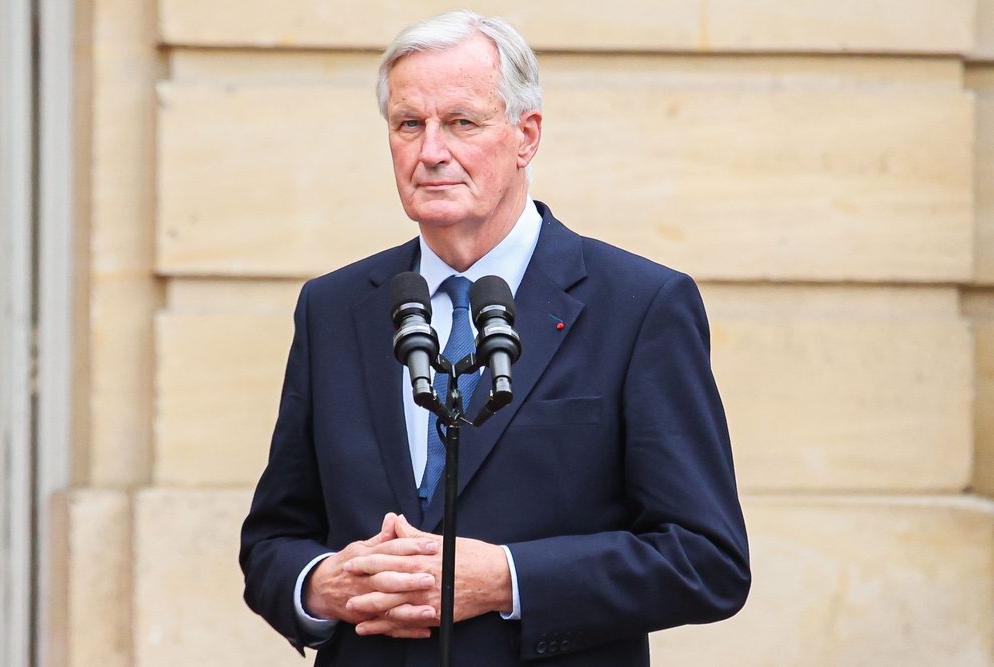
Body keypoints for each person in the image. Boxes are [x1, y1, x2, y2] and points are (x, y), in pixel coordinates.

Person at [240, 10, 749, 666]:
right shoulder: (333, 307)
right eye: (408, 124)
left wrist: (507, 577)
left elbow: (705, 558)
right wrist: (321, 586)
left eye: (461, 122)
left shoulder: (639, 305)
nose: (430, 152)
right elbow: (274, 539)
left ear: (525, 135)